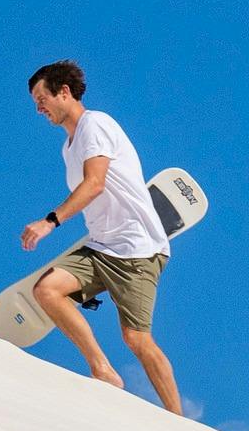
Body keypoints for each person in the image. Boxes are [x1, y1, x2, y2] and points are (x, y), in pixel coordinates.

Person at [16, 61, 184, 412]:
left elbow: (94, 184)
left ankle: (178, 419)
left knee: (137, 339)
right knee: (47, 290)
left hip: (137, 250)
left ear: (64, 92)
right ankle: (103, 371)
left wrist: (50, 222)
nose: (38, 108)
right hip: (101, 247)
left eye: (42, 97)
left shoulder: (95, 124)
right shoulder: (69, 146)